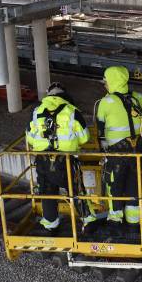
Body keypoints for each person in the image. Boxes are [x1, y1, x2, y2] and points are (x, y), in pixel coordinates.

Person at [26, 82, 90, 231]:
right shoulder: (72, 111)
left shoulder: (36, 112)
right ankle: (88, 220)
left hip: (43, 161)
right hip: (66, 161)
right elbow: (84, 137)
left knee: (47, 192)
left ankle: (50, 223)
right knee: (76, 191)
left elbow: (29, 136)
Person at [95, 66, 142, 227]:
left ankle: (115, 220)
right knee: (134, 184)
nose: (105, 85)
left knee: (115, 185)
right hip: (137, 150)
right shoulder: (138, 98)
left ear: (111, 82)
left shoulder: (106, 102)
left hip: (116, 153)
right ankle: (134, 222)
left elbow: (100, 129)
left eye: (106, 82)